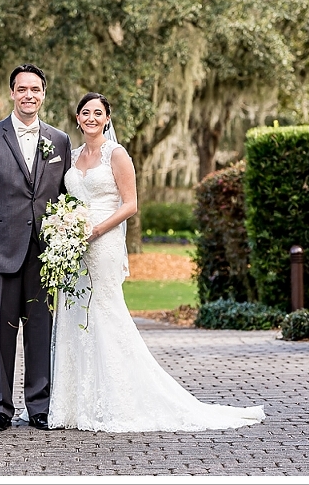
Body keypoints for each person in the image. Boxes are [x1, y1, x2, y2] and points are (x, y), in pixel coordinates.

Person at [44, 92, 266, 432]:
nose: (91, 118)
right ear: (77, 118)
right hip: (73, 247)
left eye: (98, 113)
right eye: (85, 112)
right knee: (74, 314)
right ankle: (74, 404)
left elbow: (130, 204)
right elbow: (66, 200)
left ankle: (116, 400)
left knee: (104, 313)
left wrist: (97, 229)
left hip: (103, 242)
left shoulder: (117, 154)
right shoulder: (72, 157)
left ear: (107, 119)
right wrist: (66, 228)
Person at [0, 63, 72, 432]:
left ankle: (39, 406)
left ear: (43, 94)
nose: (29, 95)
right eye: (22, 89)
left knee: (41, 331)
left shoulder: (59, 141)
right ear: (12, 93)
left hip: (45, 255)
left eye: (35, 89)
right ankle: (0, 408)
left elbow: (65, 197)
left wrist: (64, 241)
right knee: (0, 334)